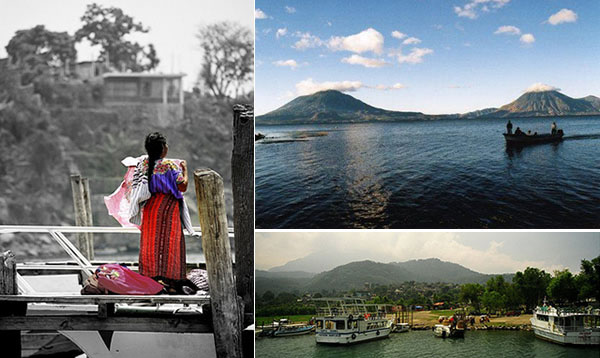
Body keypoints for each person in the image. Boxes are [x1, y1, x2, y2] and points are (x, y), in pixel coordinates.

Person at [129, 132, 193, 281]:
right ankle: (171, 280)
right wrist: (185, 170)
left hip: (151, 208)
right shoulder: (168, 165)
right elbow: (182, 186)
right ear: (163, 148)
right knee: (170, 242)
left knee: (150, 243)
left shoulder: (143, 164)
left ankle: (150, 279)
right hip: (168, 208)